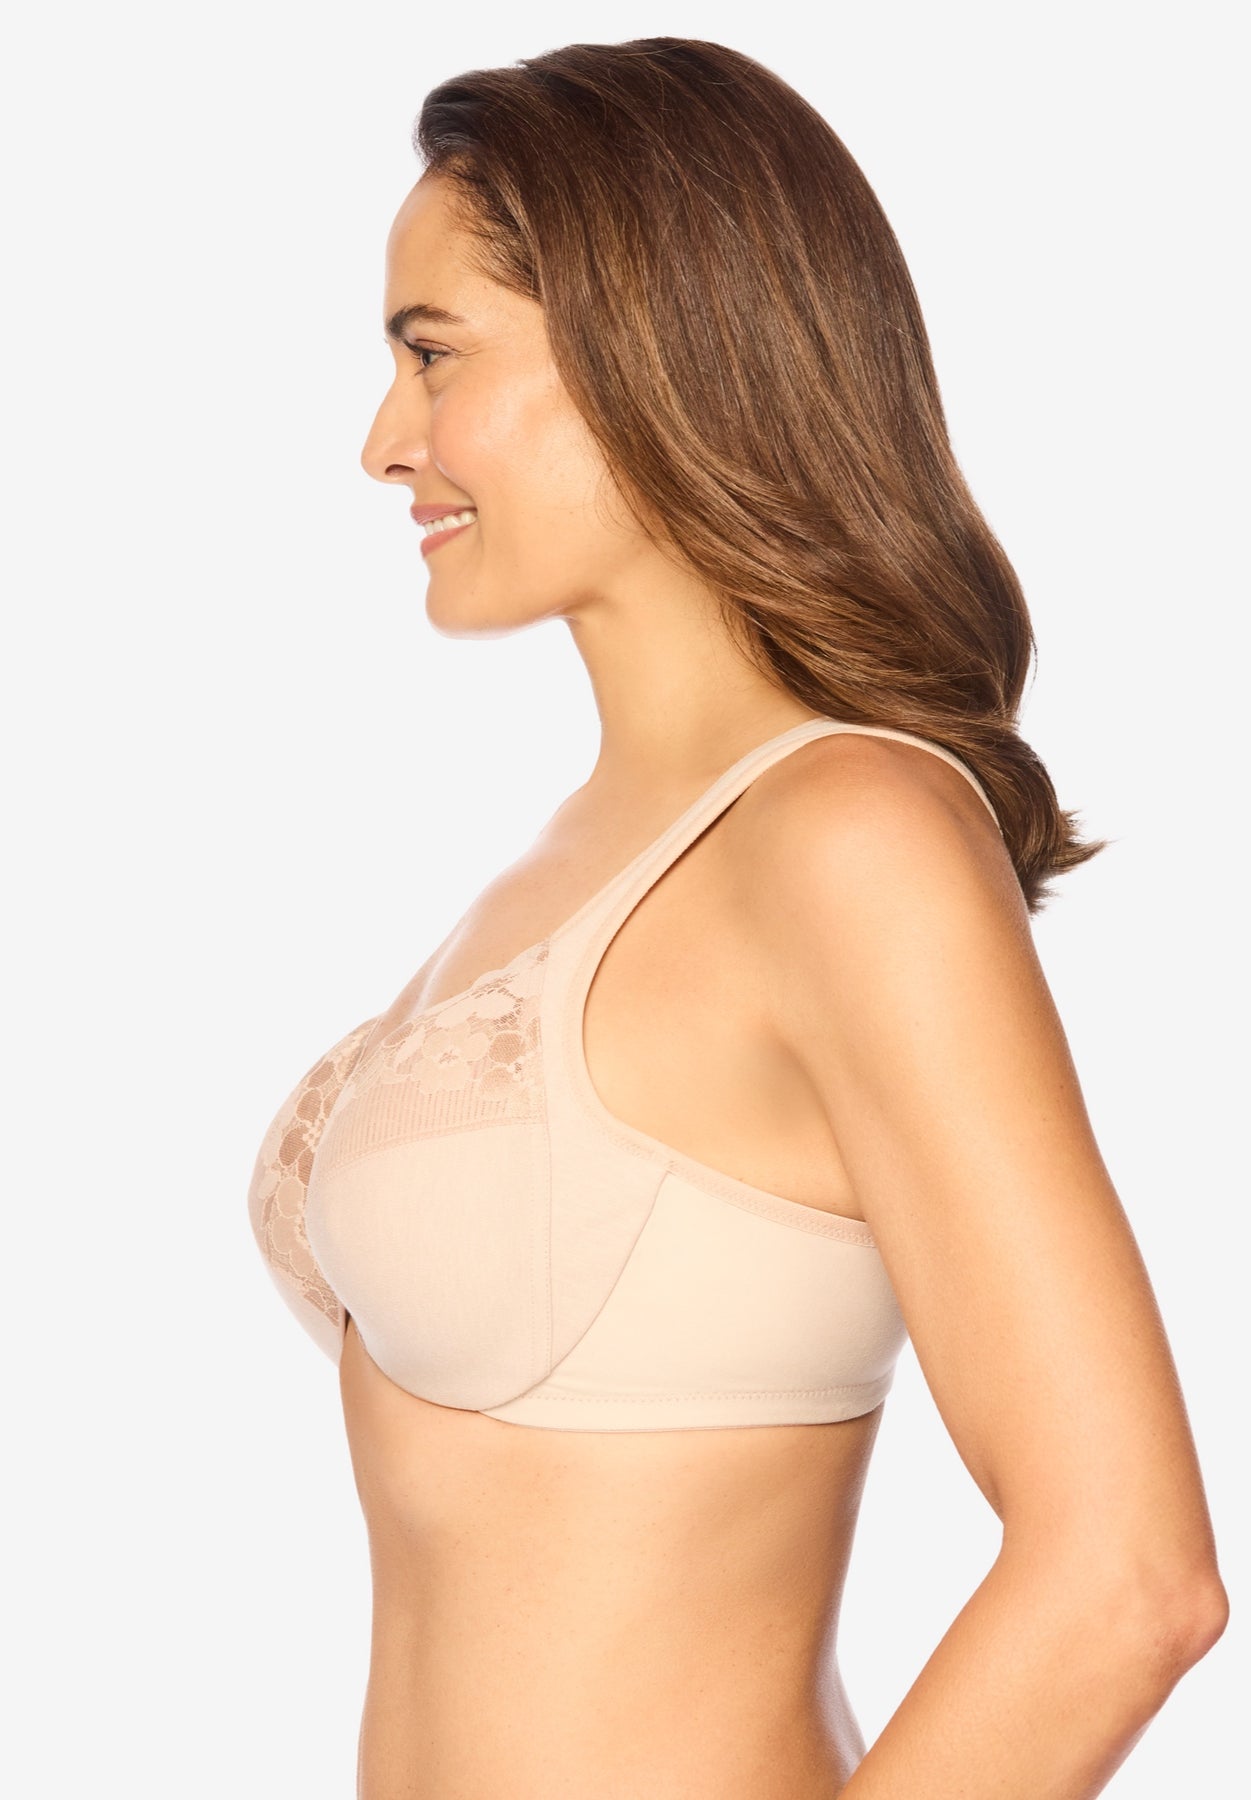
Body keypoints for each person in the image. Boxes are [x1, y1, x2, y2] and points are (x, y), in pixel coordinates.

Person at [247, 36, 1227, 1799]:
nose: (385, 443)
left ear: (654, 348)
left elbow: (1124, 1580)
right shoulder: (568, 862)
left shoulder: (851, 839)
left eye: (433, 354)